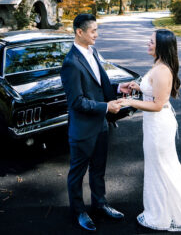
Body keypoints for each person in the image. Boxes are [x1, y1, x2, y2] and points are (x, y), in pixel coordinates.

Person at [118, 29, 181, 231]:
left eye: (151, 41)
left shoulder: (163, 70)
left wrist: (128, 101)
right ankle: (161, 206)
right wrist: (135, 87)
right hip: (153, 124)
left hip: (159, 125)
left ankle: (164, 212)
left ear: (161, 45)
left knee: (162, 166)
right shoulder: (159, 64)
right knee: (158, 165)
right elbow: (152, 88)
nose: (148, 43)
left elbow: (157, 104)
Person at [61, 13, 129, 232]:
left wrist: (119, 89)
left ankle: (100, 204)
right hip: (82, 129)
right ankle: (79, 211)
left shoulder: (93, 51)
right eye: (93, 31)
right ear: (79, 32)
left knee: (99, 169)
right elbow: (77, 102)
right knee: (77, 173)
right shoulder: (71, 63)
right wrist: (105, 107)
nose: (97, 35)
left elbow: (100, 84)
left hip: (100, 125)